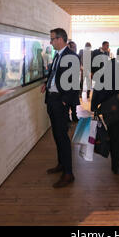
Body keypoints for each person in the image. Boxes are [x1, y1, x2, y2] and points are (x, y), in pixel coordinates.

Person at [41, 28, 80, 188]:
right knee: (57, 135)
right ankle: (61, 164)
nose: (50, 42)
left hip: (60, 102)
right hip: (52, 100)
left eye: (52, 39)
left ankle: (68, 173)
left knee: (62, 137)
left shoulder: (70, 56)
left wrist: (64, 101)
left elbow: (73, 82)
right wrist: (47, 83)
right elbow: (55, 74)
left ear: (60, 39)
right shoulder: (58, 56)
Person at [91, 47, 119, 175]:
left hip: (111, 107)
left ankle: (116, 165)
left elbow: (99, 87)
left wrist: (94, 105)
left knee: (114, 135)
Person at [67, 40, 79, 122]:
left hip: (74, 81)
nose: (75, 48)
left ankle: (74, 115)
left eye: (75, 47)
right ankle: (67, 117)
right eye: (74, 47)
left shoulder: (76, 56)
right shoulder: (66, 57)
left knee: (74, 100)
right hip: (67, 82)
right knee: (68, 100)